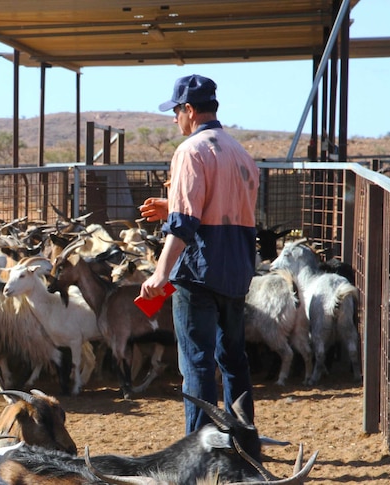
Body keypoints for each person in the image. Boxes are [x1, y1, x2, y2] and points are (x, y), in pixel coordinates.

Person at [139, 74, 259, 434]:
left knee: (198, 365)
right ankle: (242, 440)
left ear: (189, 110)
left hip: (199, 273)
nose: (175, 117)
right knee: (234, 360)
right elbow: (228, 209)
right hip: (237, 271)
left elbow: (185, 224)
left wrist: (161, 273)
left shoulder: (191, 151)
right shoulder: (240, 153)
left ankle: (200, 450)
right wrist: (172, 204)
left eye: (176, 110)